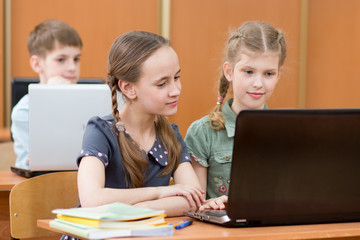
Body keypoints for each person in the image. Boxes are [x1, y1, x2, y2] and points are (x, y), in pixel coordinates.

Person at [76, 31, 205, 216]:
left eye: (176, 78)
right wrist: (158, 193)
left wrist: (140, 209)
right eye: (162, 84)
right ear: (128, 88)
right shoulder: (101, 131)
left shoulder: (171, 135)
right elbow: (92, 200)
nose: (176, 90)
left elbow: (193, 198)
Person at [185, 21, 287, 210]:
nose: (258, 83)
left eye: (269, 74)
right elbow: (194, 206)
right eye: (248, 72)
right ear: (229, 71)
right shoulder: (203, 133)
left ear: (278, 75)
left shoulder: (287, 131)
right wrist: (206, 203)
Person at [11, 19, 83, 169]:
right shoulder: (24, 111)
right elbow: (47, 156)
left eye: (76, 59)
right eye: (61, 59)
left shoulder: (87, 102)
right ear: (37, 64)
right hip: (36, 183)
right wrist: (52, 101)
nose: (72, 67)